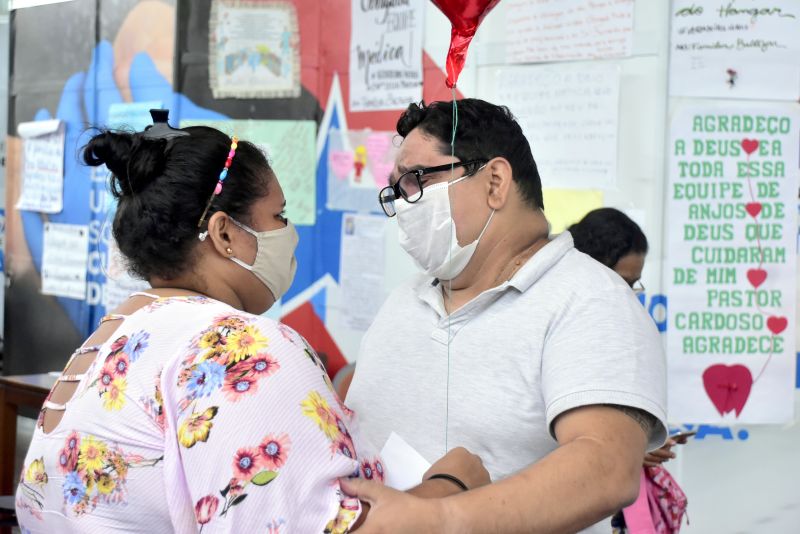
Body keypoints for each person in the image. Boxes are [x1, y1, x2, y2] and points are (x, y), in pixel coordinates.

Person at [15, 112, 488, 533]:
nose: (290, 234)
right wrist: (448, 489)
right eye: (278, 215)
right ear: (223, 233)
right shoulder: (238, 347)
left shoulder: (114, 334)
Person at [344, 99, 668, 533]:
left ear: (495, 181)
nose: (404, 205)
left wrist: (439, 518)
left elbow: (606, 466)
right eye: (395, 191)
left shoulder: (591, 301)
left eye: (416, 181)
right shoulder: (404, 300)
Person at [568, 208, 689, 533]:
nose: (628, 297)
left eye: (634, 285)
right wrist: (628, 450)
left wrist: (643, 442)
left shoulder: (617, 328)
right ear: (590, 268)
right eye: (621, 283)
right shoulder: (559, 329)